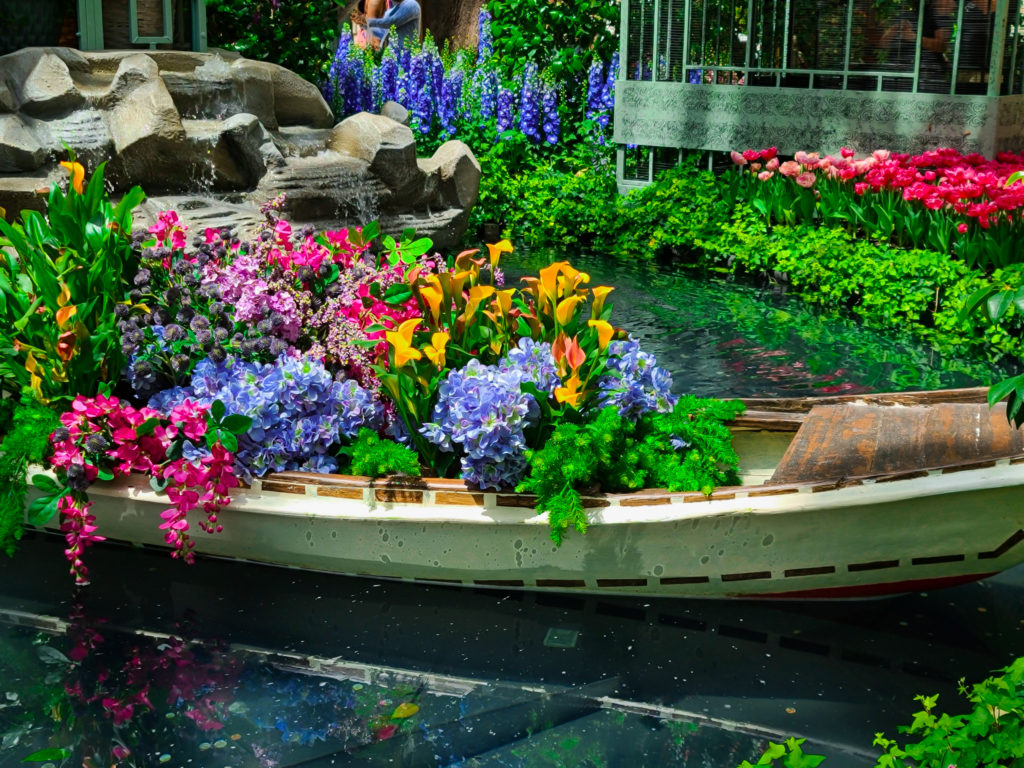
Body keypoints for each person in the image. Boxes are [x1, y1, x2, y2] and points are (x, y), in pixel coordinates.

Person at [878, 0, 955, 92]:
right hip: (898, 76)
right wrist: (894, 29)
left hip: (926, 76)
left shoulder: (940, 17)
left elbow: (942, 46)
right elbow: (883, 44)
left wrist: (915, 38)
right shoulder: (905, 16)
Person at [352, 0, 420, 51]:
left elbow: (391, 22)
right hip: (392, 56)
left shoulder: (412, 5)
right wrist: (363, 25)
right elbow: (382, 32)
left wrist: (367, 21)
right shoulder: (390, 11)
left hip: (406, 55)